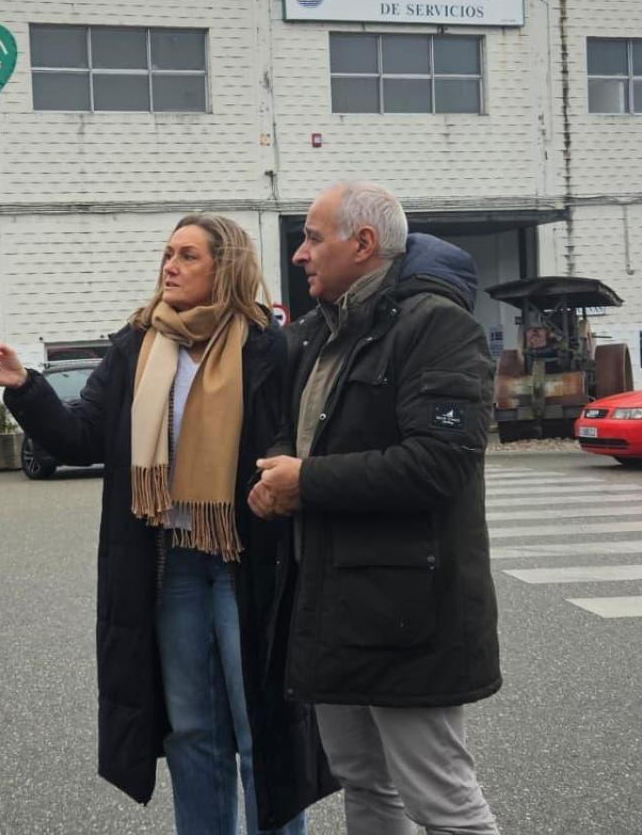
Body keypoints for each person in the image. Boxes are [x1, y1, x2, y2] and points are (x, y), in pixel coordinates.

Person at [0, 215, 334, 834]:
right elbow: (81, 436)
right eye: (167, 254)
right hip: (173, 564)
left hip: (249, 561)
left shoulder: (270, 346)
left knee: (260, 728)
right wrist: (24, 387)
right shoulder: (138, 344)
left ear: (226, 267)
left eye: (188, 256)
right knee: (191, 730)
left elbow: (299, 442)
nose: (170, 266)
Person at [250, 181, 502, 835]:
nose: (300, 253)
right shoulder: (314, 335)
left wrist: (306, 482)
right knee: (366, 784)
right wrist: (279, 469)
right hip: (332, 604)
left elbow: (441, 462)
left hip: (407, 613)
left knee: (442, 802)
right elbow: (295, 431)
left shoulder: (437, 328)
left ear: (363, 244)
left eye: (312, 236)